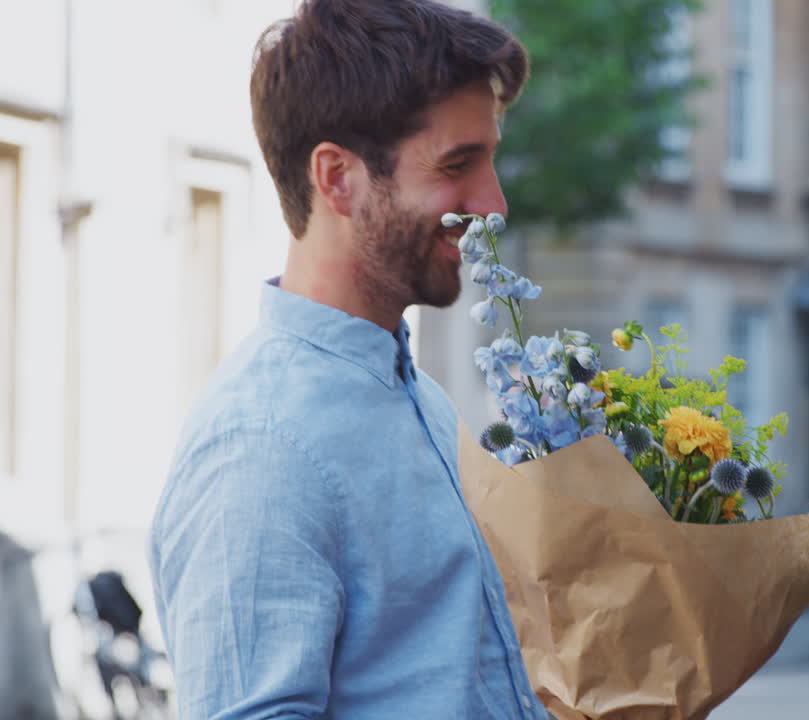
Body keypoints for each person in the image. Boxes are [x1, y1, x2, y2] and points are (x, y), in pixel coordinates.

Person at [147, 2, 545, 718]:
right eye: (458, 164)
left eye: (490, 160)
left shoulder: (420, 396)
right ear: (337, 177)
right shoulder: (261, 447)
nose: (494, 202)